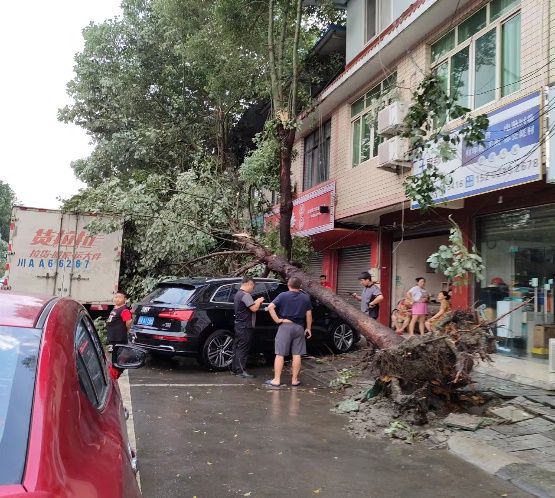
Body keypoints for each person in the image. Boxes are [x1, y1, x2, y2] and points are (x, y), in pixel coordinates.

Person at [265, 277, 313, 387]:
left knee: (280, 354)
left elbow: (270, 307)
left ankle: (276, 380)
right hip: (299, 327)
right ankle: (294, 380)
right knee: (297, 354)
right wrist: (308, 328)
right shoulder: (305, 298)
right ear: (300, 286)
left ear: (288, 285)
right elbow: (309, 314)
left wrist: (278, 320)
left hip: (285, 327)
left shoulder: (283, 295)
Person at [232, 276, 265, 378]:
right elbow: (254, 309)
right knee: (243, 348)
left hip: (239, 325)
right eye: (253, 286)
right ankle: (242, 371)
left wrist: (256, 302)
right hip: (245, 326)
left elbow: (249, 306)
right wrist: (259, 301)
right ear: (249, 284)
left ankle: (235, 369)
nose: (253, 289)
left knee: (237, 347)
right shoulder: (246, 295)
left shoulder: (238, 294)